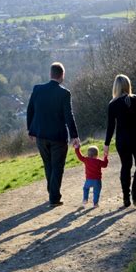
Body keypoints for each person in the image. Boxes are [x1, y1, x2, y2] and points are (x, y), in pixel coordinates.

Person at [27, 62, 80, 207]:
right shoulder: (64, 93)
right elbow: (69, 116)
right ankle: (54, 198)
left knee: (48, 165)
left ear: (50, 74)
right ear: (62, 75)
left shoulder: (37, 89)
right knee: (57, 166)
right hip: (58, 137)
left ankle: (52, 192)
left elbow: (30, 110)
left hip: (40, 135)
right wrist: (75, 136)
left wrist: (30, 130)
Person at [103, 74, 136, 208]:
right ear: (128, 85)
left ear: (116, 87)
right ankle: (135, 193)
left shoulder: (112, 104)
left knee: (126, 166)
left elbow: (110, 127)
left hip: (123, 140)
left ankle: (126, 197)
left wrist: (106, 144)